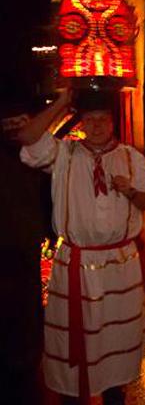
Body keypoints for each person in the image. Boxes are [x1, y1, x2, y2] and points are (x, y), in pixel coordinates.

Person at [19, 88, 145, 405]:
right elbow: (28, 137)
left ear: (113, 122)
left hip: (120, 265)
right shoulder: (63, 154)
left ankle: (114, 394)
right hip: (75, 263)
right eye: (90, 119)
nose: (96, 125)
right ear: (81, 122)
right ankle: (72, 396)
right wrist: (62, 102)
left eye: (103, 119)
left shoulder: (131, 157)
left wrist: (131, 192)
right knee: (73, 339)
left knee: (116, 338)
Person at [0, 90, 51, 403]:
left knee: (27, 309)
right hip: (9, 248)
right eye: (10, 124)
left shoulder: (34, 158)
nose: (16, 129)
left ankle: (25, 362)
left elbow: (47, 199)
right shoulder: (23, 158)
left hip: (26, 245)